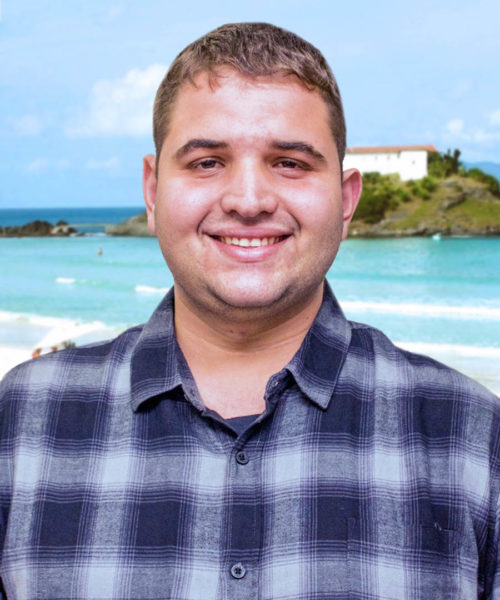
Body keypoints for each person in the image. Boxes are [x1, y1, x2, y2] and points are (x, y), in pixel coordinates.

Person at [0, 22, 499, 600]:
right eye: (207, 162)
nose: (248, 201)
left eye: (289, 162)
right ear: (152, 190)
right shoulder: (21, 423)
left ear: (346, 201)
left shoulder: (472, 435)